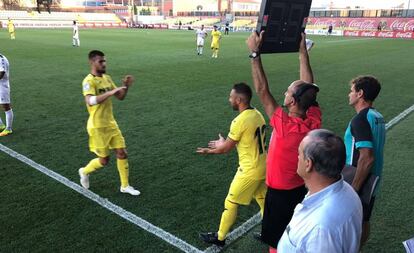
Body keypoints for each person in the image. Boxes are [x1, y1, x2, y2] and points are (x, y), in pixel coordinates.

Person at [247, 32, 321, 253]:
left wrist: (254, 54)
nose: (284, 93)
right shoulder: (313, 119)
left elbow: (261, 90)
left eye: (288, 92)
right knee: (293, 232)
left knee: (276, 242)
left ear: (292, 100)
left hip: (279, 195)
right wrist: (302, 52)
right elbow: (309, 85)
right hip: (301, 188)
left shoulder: (284, 124)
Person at [197, 83, 267, 247]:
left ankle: (220, 238)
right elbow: (241, 140)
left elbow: (225, 149)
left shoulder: (240, 120)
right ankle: (269, 232)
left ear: (239, 99)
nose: (229, 100)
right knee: (263, 200)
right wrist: (224, 142)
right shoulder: (257, 114)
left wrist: (209, 151)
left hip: (250, 170)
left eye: (231, 97)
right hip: (263, 165)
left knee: (231, 202)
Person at [278, 129, 363, 253]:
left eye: (299, 153)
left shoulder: (320, 229)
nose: (297, 157)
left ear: (308, 164)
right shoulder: (347, 190)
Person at [78, 50, 140, 196]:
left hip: (111, 124)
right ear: (92, 62)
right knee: (104, 160)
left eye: (104, 61)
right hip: (97, 127)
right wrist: (110, 93)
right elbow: (90, 101)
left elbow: (120, 97)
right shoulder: (88, 81)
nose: (104, 64)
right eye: (101, 61)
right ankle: (84, 171)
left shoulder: (107, 78)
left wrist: (126, 86)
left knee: (122, 153)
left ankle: (125, 186)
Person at [344, 75, 385, 247]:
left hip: (358, 180)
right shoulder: (378, 116)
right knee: (364, 219)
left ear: (360, 94)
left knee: (349, 225)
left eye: (352, 91)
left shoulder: (360, 120)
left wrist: (353, 188)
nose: (349, 94)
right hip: (372, 181)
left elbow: (367, 158)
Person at [0, 53, 14, 137]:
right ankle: (1, 125)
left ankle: (8, 128)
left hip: (2, 87)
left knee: (6, 106)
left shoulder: (1, 59)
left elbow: (1, 73)